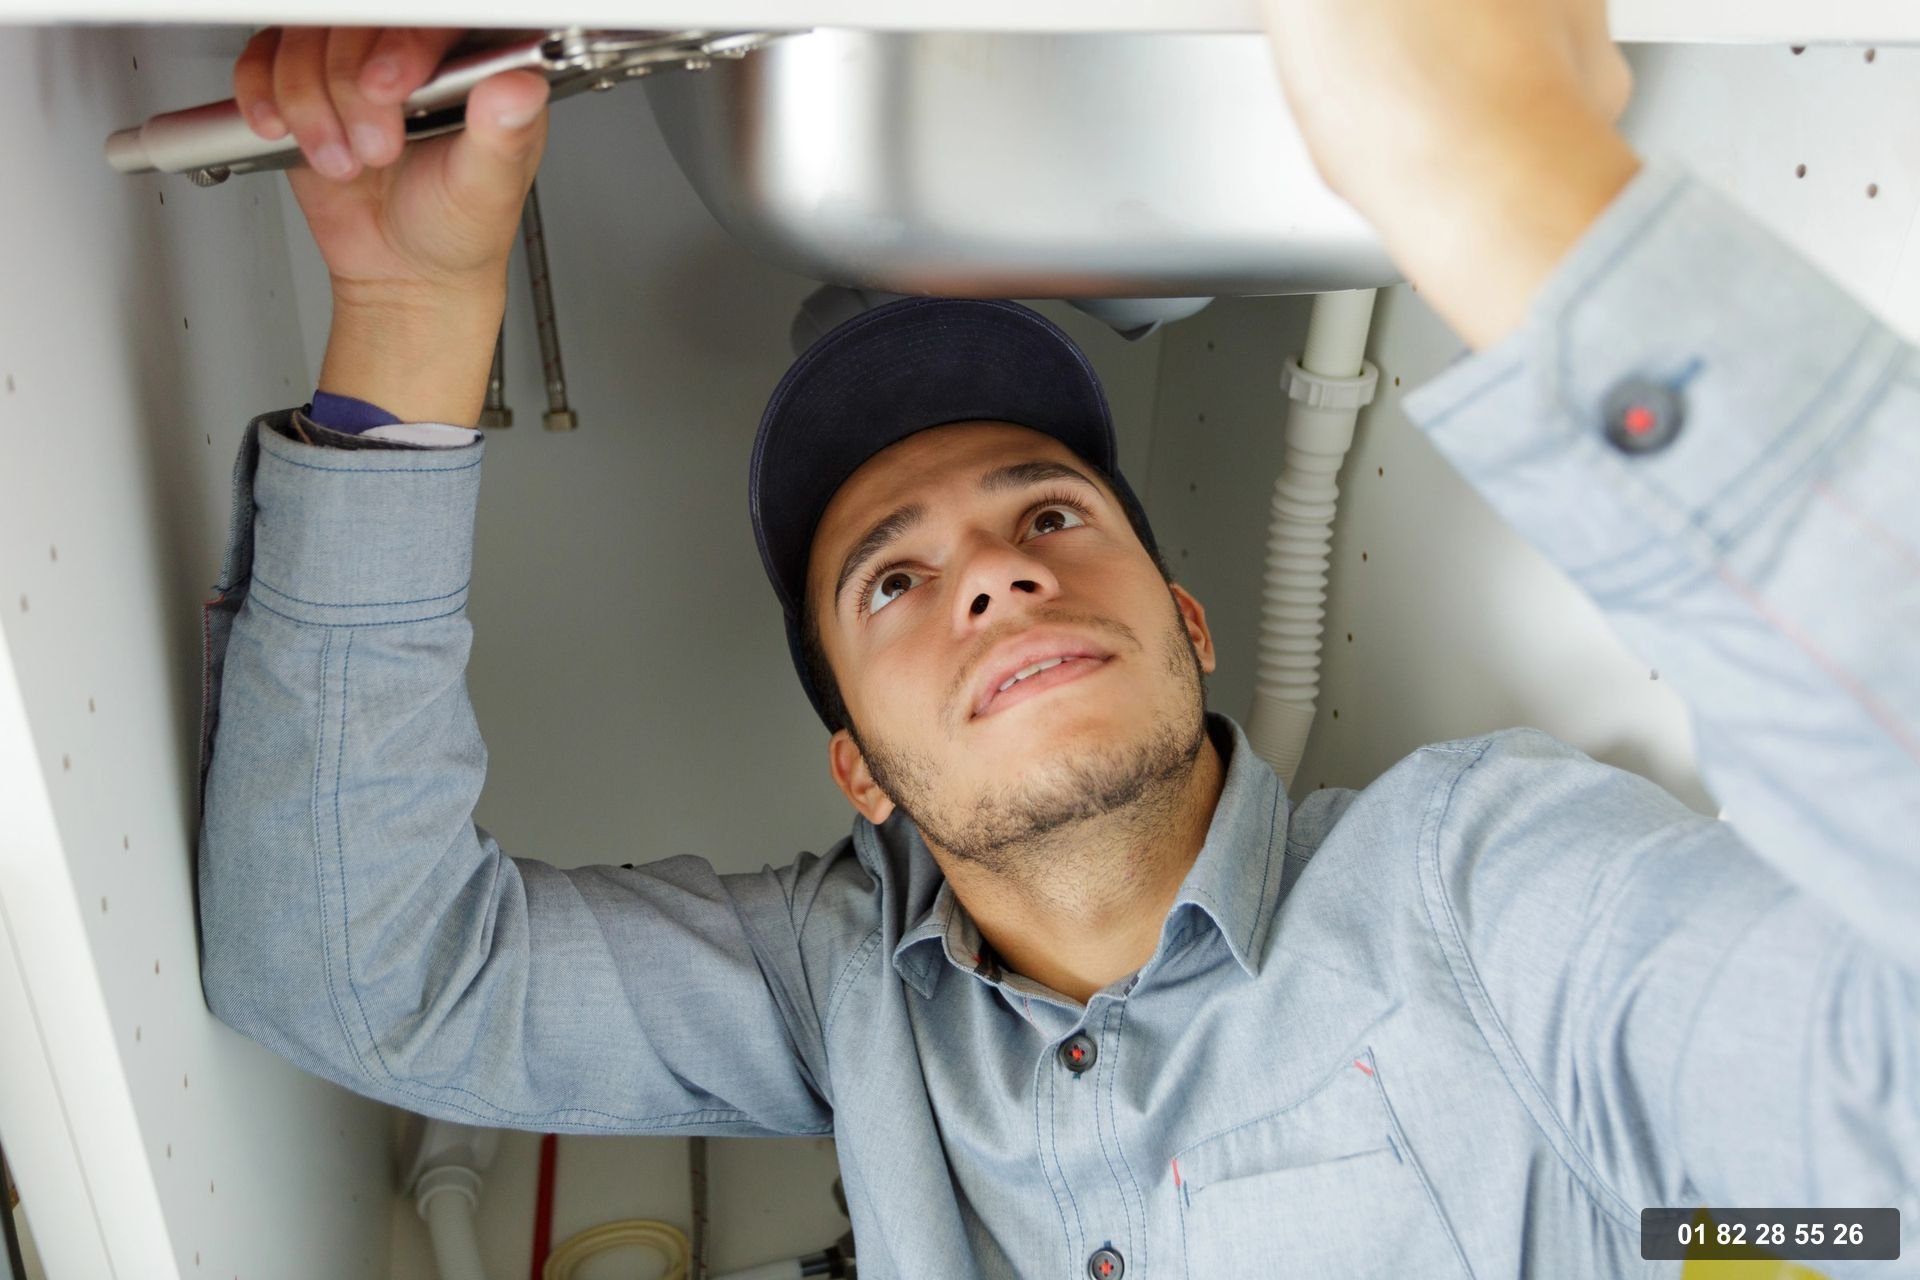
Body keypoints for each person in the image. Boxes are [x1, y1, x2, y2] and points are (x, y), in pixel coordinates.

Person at [198, 7, 1917, 1278]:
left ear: (1185, 622)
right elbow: (362, 977)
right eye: (891, 580)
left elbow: (1872, 1154)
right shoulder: (842, 996)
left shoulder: (1474, 883)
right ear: (856, 765)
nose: (997, 580)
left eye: (1048, 516)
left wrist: (1499, 180)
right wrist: (409, 324)